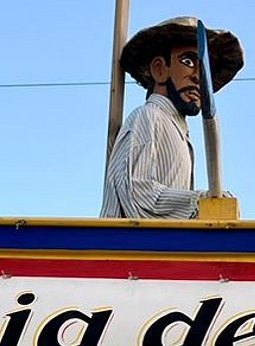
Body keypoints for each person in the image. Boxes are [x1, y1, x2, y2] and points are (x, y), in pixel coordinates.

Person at [101, 17, 244, 219]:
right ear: (160, 69)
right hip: (132, 239)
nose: (198, 77)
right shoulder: (149, 118)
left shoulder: (180, 133)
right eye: (188, 62)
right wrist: (201, 202)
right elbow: (140, 199)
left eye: (204, 69)